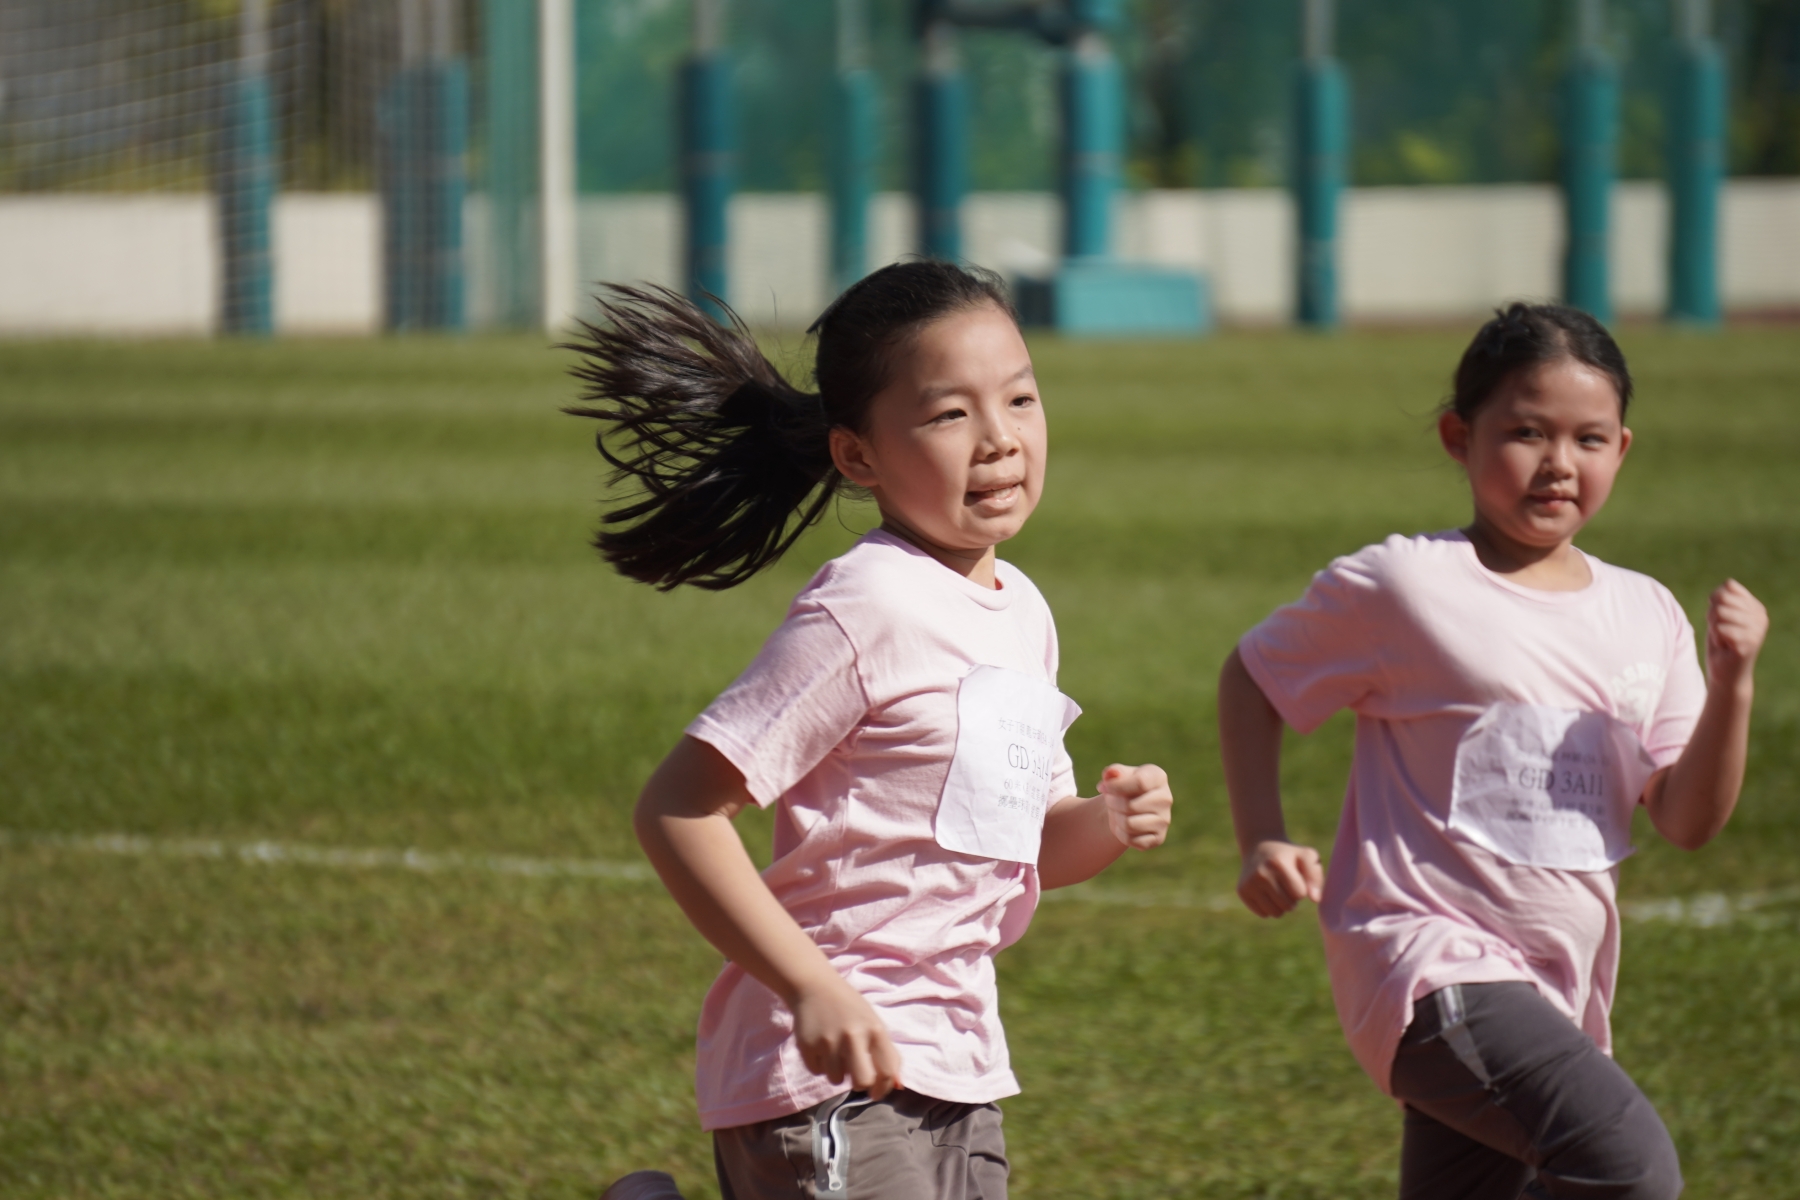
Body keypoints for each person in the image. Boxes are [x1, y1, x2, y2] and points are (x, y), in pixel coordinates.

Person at [568, 261, 1174, 1200]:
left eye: (1020, 398)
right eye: (950, 414)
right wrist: (812, 987)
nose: (1000, 438)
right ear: (858, 457)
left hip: (960, 1063)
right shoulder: (868, 607)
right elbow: (679, 809)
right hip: (828, 1068)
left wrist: (1107, 820)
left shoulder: (1024, 613)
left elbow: (1031, 846)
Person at [1217, 302, 1768, 1200]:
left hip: (1555, 989)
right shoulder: (1408, 584)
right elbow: (1254, 675)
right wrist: (1261, 837)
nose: (1559, 463)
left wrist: (1733, 681)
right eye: (1526, 433)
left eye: (1589, 439)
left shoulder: (1647, 613)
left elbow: (1686, 818)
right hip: (1425, 965)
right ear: (1458, 437)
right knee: (1628, 1169)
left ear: (1622, 450)